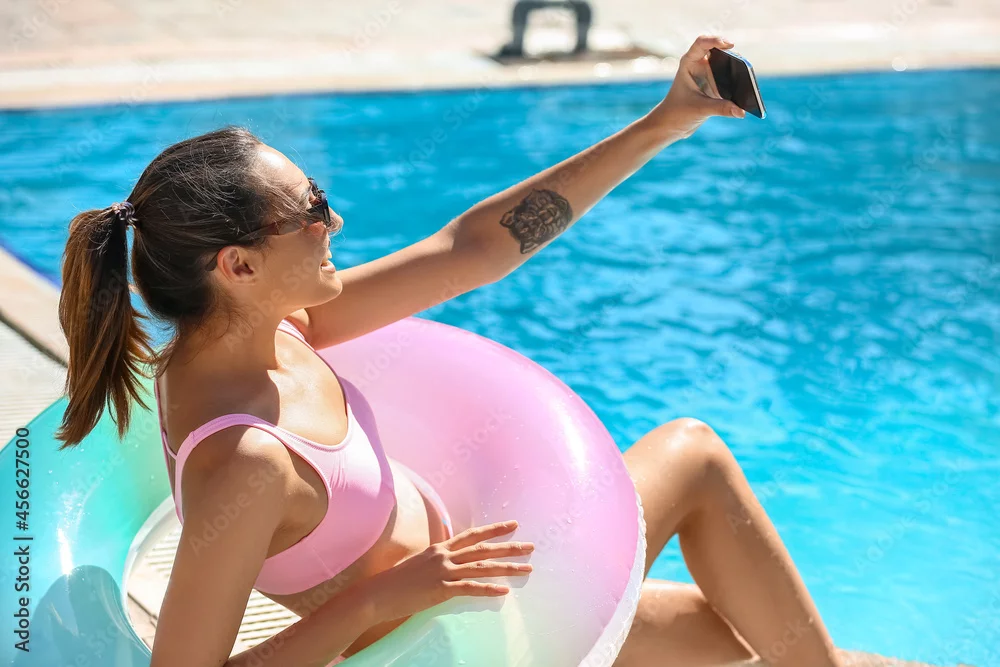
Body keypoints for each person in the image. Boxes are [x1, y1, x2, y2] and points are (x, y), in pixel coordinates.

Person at [56, 35, 843, 667]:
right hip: (455, 638)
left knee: (730, 634)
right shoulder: (247, 460)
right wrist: (376, 601)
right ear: (238, 265)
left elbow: (472, 248)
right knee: (694, 454)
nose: (334, 222)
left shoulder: (269, 328)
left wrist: (664, 122)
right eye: (312, 208)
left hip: (477, 577)